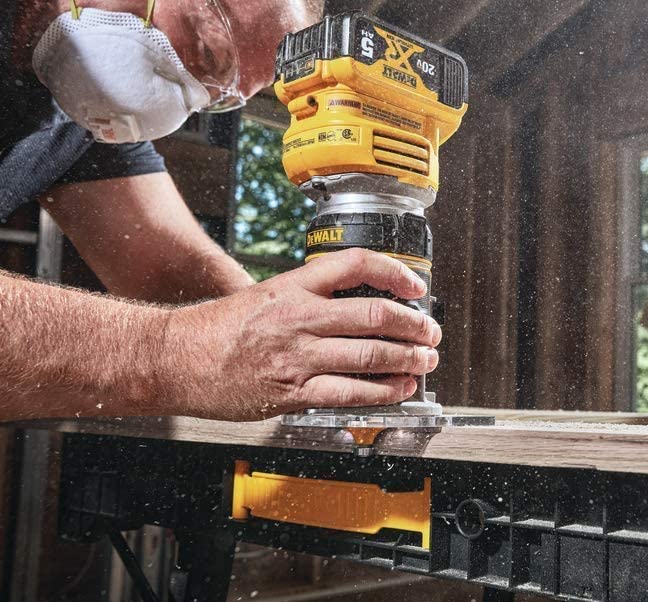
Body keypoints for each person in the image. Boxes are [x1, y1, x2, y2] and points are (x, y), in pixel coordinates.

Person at [0, 0, 441, 421]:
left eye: (218, 98)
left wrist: (305, 344)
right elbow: (195, 343)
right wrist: (179, 353)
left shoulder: (87, 112)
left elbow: (173, 269)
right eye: (207, 52)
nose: (186, 97)